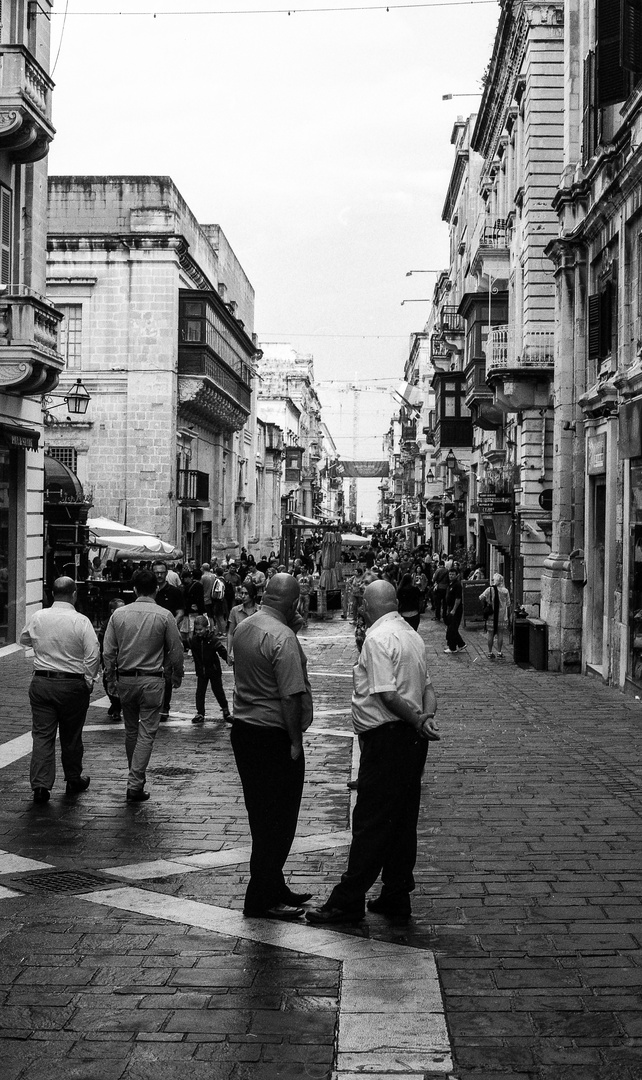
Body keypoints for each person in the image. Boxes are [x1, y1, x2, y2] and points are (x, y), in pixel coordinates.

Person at [306, 580, 440, 924]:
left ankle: (347, 900)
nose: (359, 608)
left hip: (388, 739)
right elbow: (427, 688)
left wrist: (416, 720)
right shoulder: (412, 635)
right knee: (402, 818)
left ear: (372, 604)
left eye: (362, 603)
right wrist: (424, 718)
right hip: (410, 740)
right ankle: (396, 894)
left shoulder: (378, 639)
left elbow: (386, 695)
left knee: (372, 820)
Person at [230, 573, 313, 920]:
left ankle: (273, 884)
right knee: (279, 821)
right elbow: (291, 697)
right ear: (292, 603)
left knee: (261, 816)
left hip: (245, 730)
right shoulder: (283, 637)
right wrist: (295, 742)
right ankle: (261, 897)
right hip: (273, 735)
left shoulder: (244, 628)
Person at [103, 569, 184, 801]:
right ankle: (135, 783)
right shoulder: (164, 615)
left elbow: (108, 651)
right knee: (146, 733)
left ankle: (134, 777)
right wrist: (176, 674)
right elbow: (176, 650)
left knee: (131, 731)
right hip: (151, 679)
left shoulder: (118, 615)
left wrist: (110, 678)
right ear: (156, 589)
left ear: (135, 589)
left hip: (126, 679)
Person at [20, 577, 100, 803]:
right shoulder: (81, 621)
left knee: (43, 735)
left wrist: (45, 645)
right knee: (72, 734)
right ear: (74, 594)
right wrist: (89, 678)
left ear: (52, 594)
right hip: (72, 683)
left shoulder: (38, 616)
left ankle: (40, 786)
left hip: (42, 682)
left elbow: (24, 639)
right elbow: (93, 653)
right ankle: (73, 778)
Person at [153, 560, 185, 723]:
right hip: (150, 638)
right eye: (156, 572)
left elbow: (180, 611)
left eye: (161, 572)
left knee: (166, 673)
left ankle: (165, 707)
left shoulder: (174, 592)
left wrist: (171, 623)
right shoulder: (149, 591)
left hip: (167, 637)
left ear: (167, 573)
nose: (159, 575)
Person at [189, 616, 231, 723]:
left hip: (213, 670)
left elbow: (221, 651)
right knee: (200, 692)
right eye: (196, 629)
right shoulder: (194, 640)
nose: (198, 632)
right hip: (201, 671)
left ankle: (225, 709)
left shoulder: (212, 640)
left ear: (206, 628)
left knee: (218, 691)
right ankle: (200, 712)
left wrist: (228, 659)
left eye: (200, 629)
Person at [480, 573, 511, 660]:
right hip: (501, 616)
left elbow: (481, 597)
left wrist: (487, 602)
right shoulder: (505, 591)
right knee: (500, 634)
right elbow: (508, 604)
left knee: (490, 634)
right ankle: (499, 652)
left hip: (491, 615)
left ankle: (490, 652)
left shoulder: (489, 589)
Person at [227, 580, 258, 664]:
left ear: (253, 595)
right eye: (242, 593)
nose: (243, 596)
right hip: (239, 651)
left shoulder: (260, 610)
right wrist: (229, 652)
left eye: (246, 594)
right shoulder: (235, 611)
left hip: (256, 652)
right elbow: (230, 633)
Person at [444, 567, 467, 654]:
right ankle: (459, 645)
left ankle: (454, 647)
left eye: (453, 574)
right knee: (451, 628)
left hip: (456, 610)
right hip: (450, 608)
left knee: (452, 629)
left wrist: (454, 609)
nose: (451, 576)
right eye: (450, 574)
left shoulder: (457, 585)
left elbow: (458, 599)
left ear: (456, 575)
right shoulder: (451, 584)